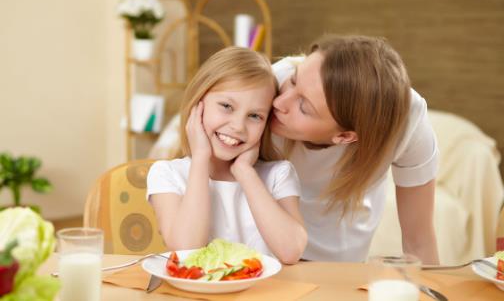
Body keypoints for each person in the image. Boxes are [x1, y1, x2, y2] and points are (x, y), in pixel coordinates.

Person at [270, 34, 440, 264]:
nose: (278, 103)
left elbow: (419, 240)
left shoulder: (407, 121)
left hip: (342, 265)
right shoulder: (267, 84)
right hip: (264, 256)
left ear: (345, 136)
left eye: (303, 106)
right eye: (293, 80)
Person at [146, 46, 307, 264]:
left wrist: (245, 173)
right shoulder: (167, 174)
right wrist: (200, 158)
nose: (238, 126)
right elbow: (186, 250)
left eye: (254, 116)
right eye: (226, 106)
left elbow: (291, 251)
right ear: (197, 104)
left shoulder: (278, 174)